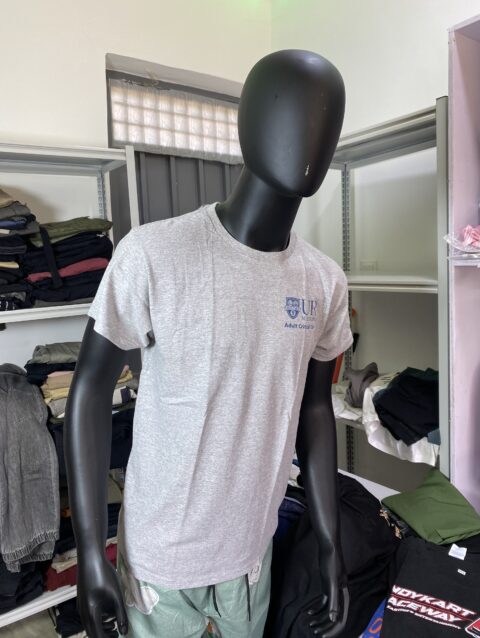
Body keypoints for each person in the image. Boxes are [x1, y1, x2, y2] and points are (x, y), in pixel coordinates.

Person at [65, 48, 352, 638]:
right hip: (162, 560)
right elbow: (89, 390)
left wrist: (330, 540)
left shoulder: (324, 282)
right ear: (250, 125)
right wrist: (91, 552)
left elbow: (315, 408)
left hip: (251, 554)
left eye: (327, 122)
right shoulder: (154, 254)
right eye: (293, 113)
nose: (311, 138)